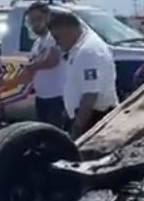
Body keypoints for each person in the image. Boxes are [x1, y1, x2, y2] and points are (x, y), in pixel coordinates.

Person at [50, 11, 118, 139]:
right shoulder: (78, 47)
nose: (56, 43)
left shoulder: (89, 51)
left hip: (93, 119)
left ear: (68, 30)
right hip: (84, 116)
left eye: (57, 38)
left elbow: (90, 95)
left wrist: (77, 129)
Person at [20, 2, 65, 127]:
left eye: (39, 19)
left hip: (56, 97)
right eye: (32, 20)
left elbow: (52, 61)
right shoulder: (37, 42)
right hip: (41, 97)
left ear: (47, 17)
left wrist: (31, 67)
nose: (35, 23)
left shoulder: (54, 36)